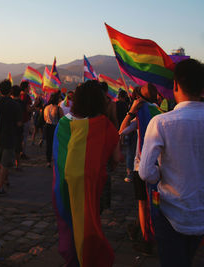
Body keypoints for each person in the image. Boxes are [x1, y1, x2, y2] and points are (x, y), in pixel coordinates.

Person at [139, 59, 204, 267]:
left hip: (170, 212)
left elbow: (146, 172)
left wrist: (160, 173)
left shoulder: (161, 122)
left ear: (175, 85)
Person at [52, 80, 120, 267]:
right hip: (91, 186)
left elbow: (58, 156)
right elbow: (116, 158)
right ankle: (87, 257)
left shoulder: (63, 124)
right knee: (88, 221)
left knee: (69, 225)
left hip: (64, 186)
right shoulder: (103, 125)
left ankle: (72, 259)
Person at [119, 82, 160, 255]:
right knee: (156, 203)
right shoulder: (159, 113)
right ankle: (139, 227)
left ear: (137, 99)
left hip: (141, 165)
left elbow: (121, 131)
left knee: (143, 205)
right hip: (159, 167)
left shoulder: (140, 114)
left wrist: (131, 111)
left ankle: (146, 241)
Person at [0, 80, 22, 196]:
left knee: (1, 162)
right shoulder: (15, 105)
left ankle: (5, 180)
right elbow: (19, 123)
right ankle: (0, 188)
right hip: (10, 136)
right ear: (10, 90)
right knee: (5, 164)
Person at [43, 91, 64, 168]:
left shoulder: (46, 108)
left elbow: (45, 118)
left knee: (48, 145)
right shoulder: (58, 108)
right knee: (56, 144)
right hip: (55, 127)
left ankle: (48, 161)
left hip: (47, 126)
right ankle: (56, 160)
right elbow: (62, 119)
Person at [11, 85, 24, 171]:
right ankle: (17, 164)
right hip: (18, 128)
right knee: (18, 148)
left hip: (8, 128)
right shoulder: (21, 103)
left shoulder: (10, 102)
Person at [20, 81, 32, 159]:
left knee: (19, 138)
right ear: (25, 88)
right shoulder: (26, 96)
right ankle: (22, 154)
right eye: (29, 87)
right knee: (24, 138)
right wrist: (35, 105)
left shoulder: (18, 95)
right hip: (25, 120)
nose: (30, 88)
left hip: (18, 120)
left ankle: (18, 153)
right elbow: (28, 110)